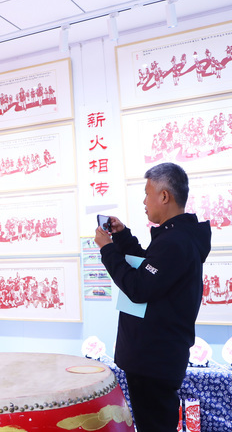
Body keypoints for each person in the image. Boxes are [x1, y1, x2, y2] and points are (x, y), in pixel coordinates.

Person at [94, 162, 211, 432]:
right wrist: (122, 237)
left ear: (164, 196)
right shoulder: (177, 237)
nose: (144, 201)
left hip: (153, 359)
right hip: (156, 357)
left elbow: (139, 288)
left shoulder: (175, 241)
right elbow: (150, 268)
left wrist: (107, 250)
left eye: (147, 194)